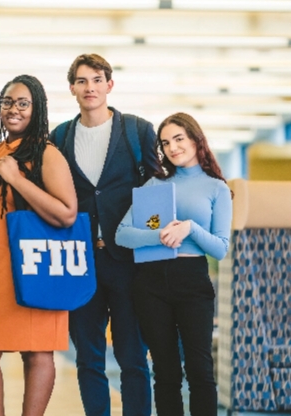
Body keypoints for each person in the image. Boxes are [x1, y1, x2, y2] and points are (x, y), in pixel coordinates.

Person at [0, 74, 78, 416]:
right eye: (8, 102)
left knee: (38, 353)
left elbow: (67, 214)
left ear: (36, 109)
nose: (14, 109)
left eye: (23, 103)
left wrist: (17, 180)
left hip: (36, 266)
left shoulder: (47, 154)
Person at [48, 53, 156, 416]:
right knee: (88, 358)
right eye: (81, 81)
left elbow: (156, 190)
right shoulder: (60, 136)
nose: (89, 87)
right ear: (72, 89)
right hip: (80, 261)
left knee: (133, 358)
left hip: (128, 261)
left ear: (110, 85)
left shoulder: (137, 130)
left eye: (96, 79)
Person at [116, 112, 232, 415]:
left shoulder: (216, 188)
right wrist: (160, 236)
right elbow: (122, 234)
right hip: (151, 282)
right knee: (165, 372)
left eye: (179, 139)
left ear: (195, 139)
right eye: (166, 142)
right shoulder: (155, 184)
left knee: (200, 370)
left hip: (192, 280)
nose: (172, 147)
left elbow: (221, 249)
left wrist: (190, 228)